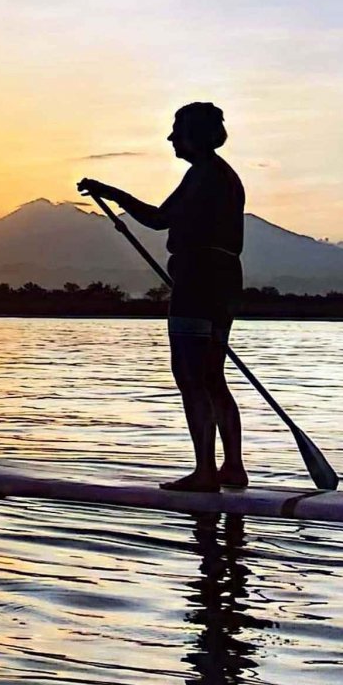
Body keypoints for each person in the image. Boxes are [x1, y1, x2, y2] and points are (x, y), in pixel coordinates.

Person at [78, 102, 247, 493]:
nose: (171, 138)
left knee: (191, 377)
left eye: (177, 130)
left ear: (196, 134)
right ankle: (232, 468)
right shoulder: (218, 175)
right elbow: (164, 218)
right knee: (211, 375)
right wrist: (110, 193)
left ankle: (206, 472)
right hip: (223, 283)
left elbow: (158, 219)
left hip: (198, 283)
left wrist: (110, 192)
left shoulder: (205, 174)